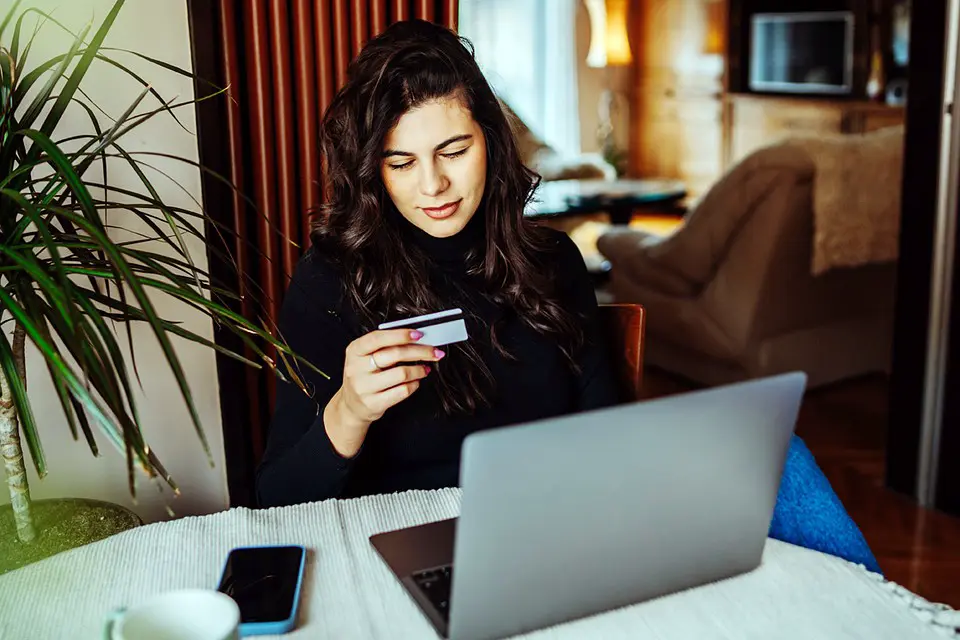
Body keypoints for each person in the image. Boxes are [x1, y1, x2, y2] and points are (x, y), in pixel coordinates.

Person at [255, 19, 619, 508]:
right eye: (401, 163)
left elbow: (610, 439)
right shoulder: (330, 284)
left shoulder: (554, 264)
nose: (432, 186)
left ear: (491, 141)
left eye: (454, 151)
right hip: (398, 548)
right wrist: (349, 411)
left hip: (547, 528)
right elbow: (274, 500)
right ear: (372, 170)